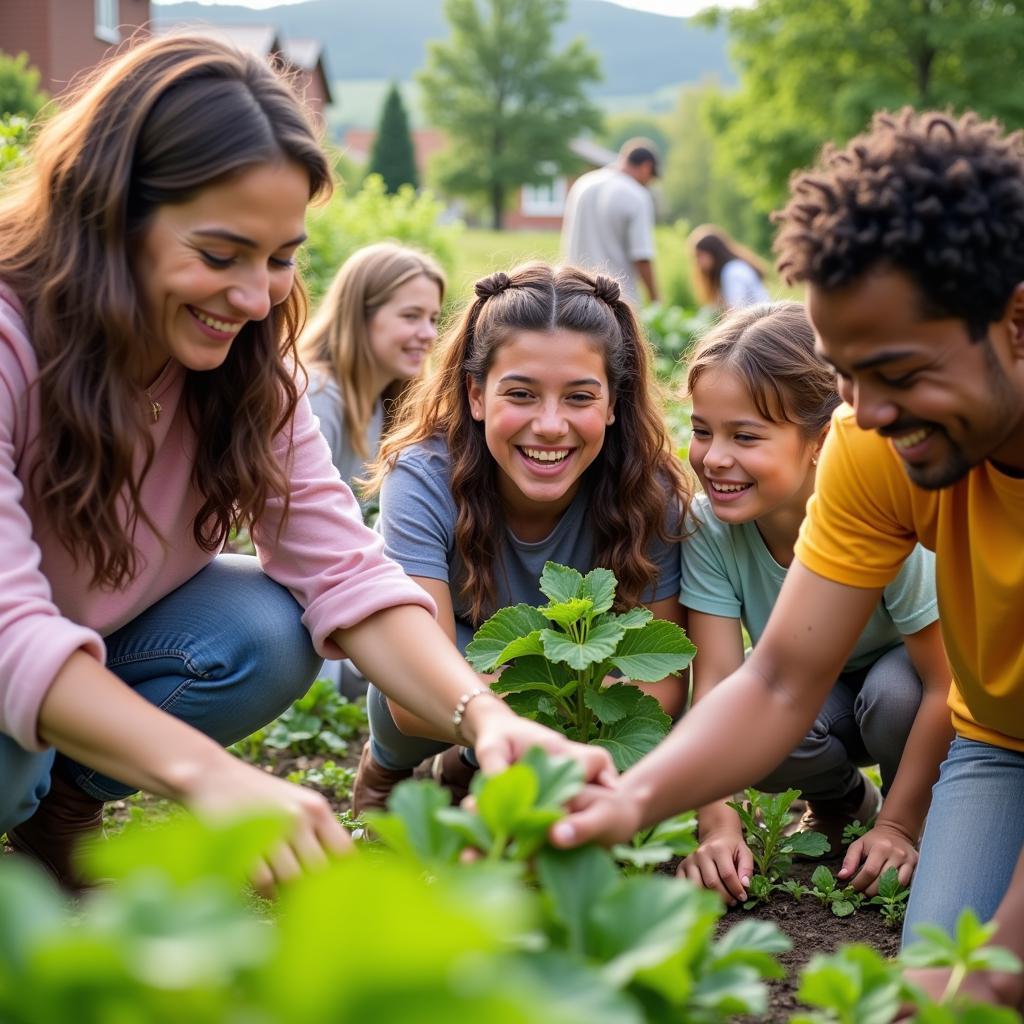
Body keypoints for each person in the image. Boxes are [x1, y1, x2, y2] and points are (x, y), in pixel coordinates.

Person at [0, 34, 613, 894]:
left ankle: (63, 804)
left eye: (280, 258)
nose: (255, 299)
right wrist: (209, 776)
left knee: (263, 628)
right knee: (8, 761)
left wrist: (492, 720)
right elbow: (8, 624)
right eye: (219, 256)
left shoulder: (248, 371)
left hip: (76, 640)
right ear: (110, 216)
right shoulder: (12, 338)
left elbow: (346, 574)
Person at [552, 108, 1024, 1010]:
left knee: (971, 990)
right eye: (846, 376)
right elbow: (775, 684)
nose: (868, 412)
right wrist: (629, 800)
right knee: (943, 989)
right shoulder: (866, 441)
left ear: (1016, 321)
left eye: (898, 371)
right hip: (1001, 742)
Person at [352, 263, 692, 813]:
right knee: (416, 660)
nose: (551, 425)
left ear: (613, 404)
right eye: (522, 394)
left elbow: (662, 683)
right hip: (464, 659)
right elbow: (411, 697)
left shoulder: (649, 492)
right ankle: (385, 771)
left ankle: (466, 765)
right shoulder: (422, 479)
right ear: (477, 395)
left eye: (580, 397)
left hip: (567, 682)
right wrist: (550, 708)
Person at [677, 302, 951, 904]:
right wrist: (717, 823)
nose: (714, 457)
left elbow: (943, 684)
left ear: (820, 440)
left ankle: (911, 816)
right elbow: (719, 682)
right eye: (702, 431)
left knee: (894, 695)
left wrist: (898, 827)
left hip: (905, 692)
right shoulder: (709, 527)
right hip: (810, 690)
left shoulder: (881, 511)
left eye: (744, 436)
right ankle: (843, 800)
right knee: (753, 722)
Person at [298, 243, 444, 496]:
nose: (429, 334)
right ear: (360, 317)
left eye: (433, 319)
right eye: (411, 316)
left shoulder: (382, 401)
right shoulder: (316, 395)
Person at [561, 139, 660, 306]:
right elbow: (641, 255)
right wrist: (655, 299)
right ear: (646, 167)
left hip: (575, 295)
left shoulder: (583, 184)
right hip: (617, 300)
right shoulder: (636, 195)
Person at [688, 224, 769, 311]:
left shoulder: (732, 272)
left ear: (713, 252)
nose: (697, 262)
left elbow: (737, 310)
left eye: (700, 256)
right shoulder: (734, 268)